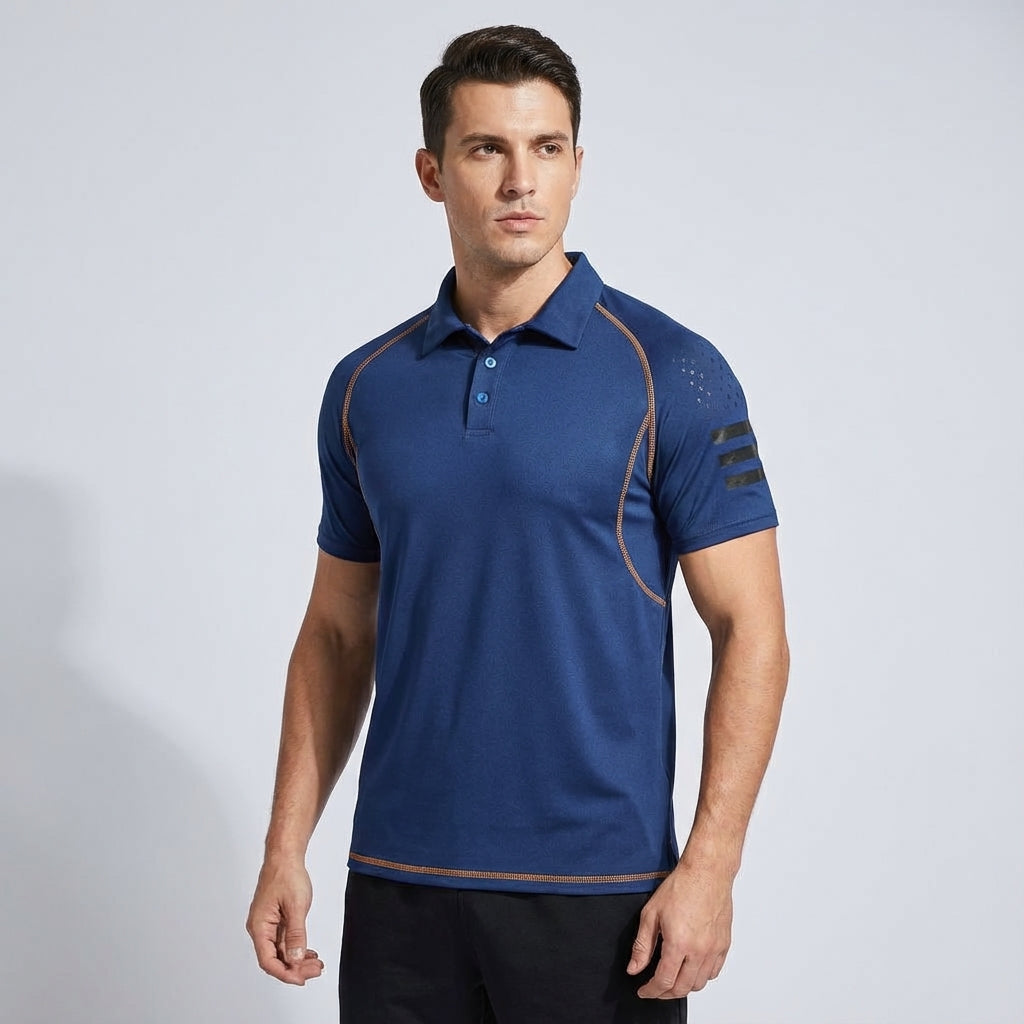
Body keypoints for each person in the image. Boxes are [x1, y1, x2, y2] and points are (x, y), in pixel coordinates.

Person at [246, 24, 789, 1023]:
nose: (519, 180)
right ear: (432, 172)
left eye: (546, 147)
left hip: (602, 897)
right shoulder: (367, 386)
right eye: (486, 148)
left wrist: (710, 865)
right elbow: (336, 633)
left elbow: (751, 627)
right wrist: (287, 845)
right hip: (399, 887)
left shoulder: (672, 371)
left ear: (579, 166)